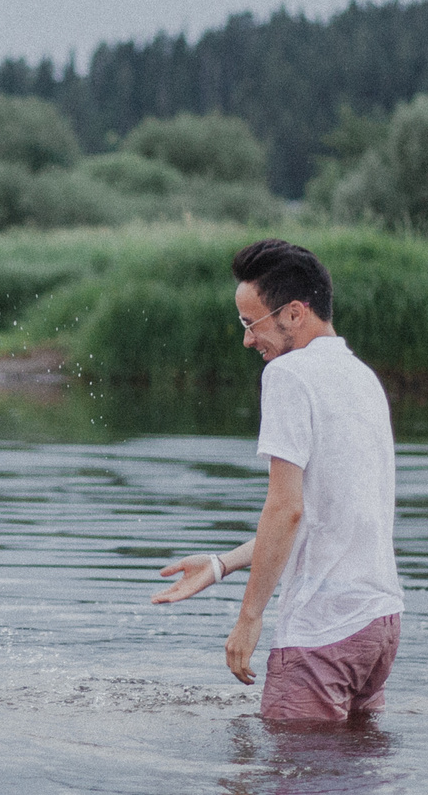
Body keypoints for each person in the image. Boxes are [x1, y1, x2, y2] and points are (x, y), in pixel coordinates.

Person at [152, 238, 403, 721]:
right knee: (352, 788)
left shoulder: (290, 375)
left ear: (293, 313)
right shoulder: (360, 376)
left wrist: (249, 619)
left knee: (285, 786)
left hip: (322, 632)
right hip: (378, 626)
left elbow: (285, 509)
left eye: (252, 323)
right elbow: (319, 515)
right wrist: (221, 565)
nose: (247, 339)